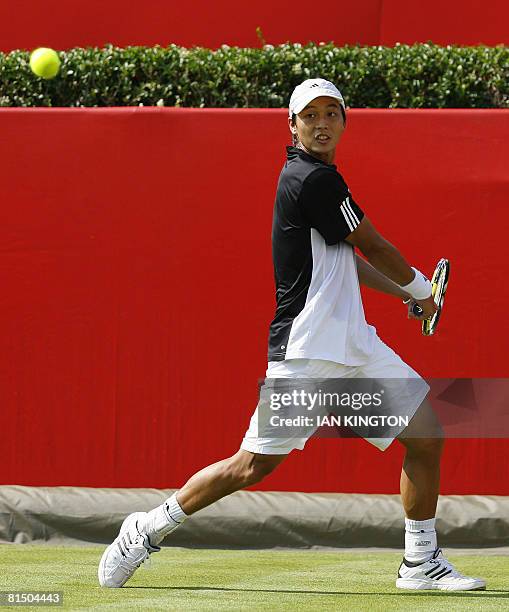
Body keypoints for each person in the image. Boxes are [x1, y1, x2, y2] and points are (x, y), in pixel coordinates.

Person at [98, 78, 486, 591]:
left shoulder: (323, 180)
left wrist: (404, 295)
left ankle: (420, 562)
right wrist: (422, 288)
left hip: (355, 349)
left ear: (344, 122)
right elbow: (374, 244)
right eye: (311, 115)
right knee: (251, 467)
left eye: (331, 113)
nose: (322, 123)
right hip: (306, 354)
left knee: (426, 435)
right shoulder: (310, 180)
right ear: (293, 125)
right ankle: (144, 530)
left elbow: (345, 261)